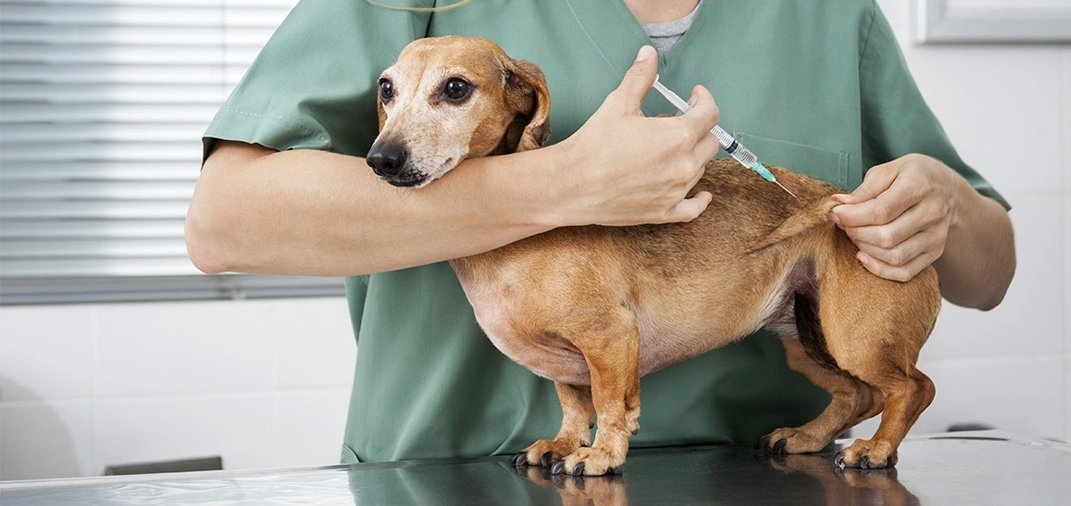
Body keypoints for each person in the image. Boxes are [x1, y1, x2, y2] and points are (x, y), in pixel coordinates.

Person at [186, 0, 1015, 464]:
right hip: (448, 481)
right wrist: (561, 185)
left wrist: (942, 203)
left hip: (765, 483)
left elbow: (990, 272)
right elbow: (225, 223)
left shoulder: (829, 17)